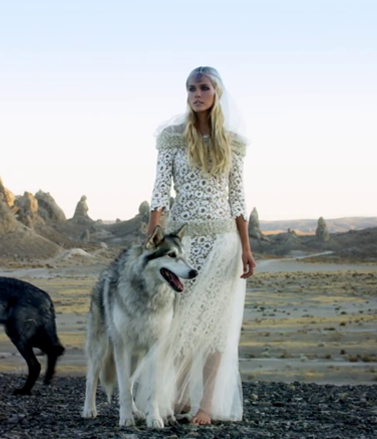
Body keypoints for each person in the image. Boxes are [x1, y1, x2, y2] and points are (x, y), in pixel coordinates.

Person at [138, 66, 255, 426]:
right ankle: (174, 396)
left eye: (203, 87)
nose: (196, 94)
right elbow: (160, 192)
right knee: (179, 322)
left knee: (216, 327)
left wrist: (247, 248)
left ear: (216, 92)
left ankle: (205, 406)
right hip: (182, 244)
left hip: (223, 243)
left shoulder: (231, 142)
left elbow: (237, 199)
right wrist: (153, 236)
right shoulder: (173, 137)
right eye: (191, 88)